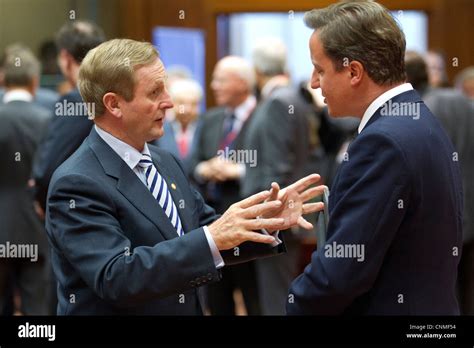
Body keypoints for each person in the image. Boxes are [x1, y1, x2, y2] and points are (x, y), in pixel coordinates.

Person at [45, 38, 325, 315]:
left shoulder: (164, 161)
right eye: (155, 92)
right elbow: (117, 276)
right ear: (114, 104)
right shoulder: (77, 183)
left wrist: (267, 221)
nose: (168, 102)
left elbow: (207, 230)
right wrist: (212, 238)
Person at [287, 0, 462, 315]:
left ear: (354, 71)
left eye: (320, 69)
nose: (314, 82)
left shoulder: (383, 141)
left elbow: (339, 275)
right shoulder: (417, 118)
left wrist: (294, 304)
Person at [241, 38, 314, 315]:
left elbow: (276, 169)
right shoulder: (288, 98)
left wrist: (268, 220)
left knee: (277, 299)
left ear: (257, 70)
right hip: (276, 217)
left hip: (275, 220)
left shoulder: (278, 102)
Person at [405, 51, 474, 315]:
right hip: (470, 209)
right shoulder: (462, 100)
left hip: (441, 216)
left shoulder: (420, 111)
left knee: (442, 296)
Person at [191, 56, 261, 315]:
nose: (213, 85)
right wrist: (205, 168)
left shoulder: (264, 114)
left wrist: (238, 171)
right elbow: (192, 163)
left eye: (220, 80)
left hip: (250, 221)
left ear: (242, 84)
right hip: (213, 221)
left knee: (255, 297)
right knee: (217, 299)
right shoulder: (211, 118)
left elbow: (274, 166)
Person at [33, 20, 105, 214]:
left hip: (78, 209)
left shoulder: (75, 100)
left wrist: (40, 195)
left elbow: (49, 167)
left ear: (64, 57)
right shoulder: (116, 92)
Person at [0, 47, 51, 315]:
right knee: (37, 311)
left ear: (1, 78)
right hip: (36, 228)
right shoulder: (48, 121)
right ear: (35, 81)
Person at [154, 78, 203, 175]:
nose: (187, 110)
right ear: (172, 103)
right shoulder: (159, 128)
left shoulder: (206, 129)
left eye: (193, 104)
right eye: (182, 103)